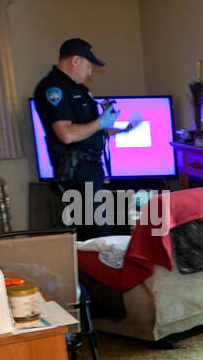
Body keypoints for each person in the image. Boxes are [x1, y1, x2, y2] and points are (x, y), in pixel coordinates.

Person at [32, 38, 135, 239]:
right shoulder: (54, 89)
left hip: (90, 170)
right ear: (75, 61)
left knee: (99, 230)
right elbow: (67, 134)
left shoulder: (77, 89)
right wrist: (101, 123)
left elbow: (87, 131)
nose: (90, 73)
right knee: (95, 235)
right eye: (88, 67)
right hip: (77, 173)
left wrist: (119, 129)